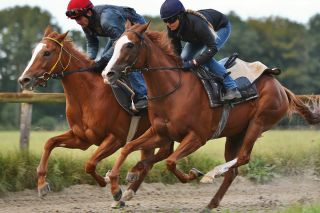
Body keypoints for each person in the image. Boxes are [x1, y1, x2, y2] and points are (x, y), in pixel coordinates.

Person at [66, 0, 148, 110]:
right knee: (104, 60)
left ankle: (142, 95)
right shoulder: (85, 23)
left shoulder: (106, 20)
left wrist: (103, 60)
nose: (78, 22)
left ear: (89, 13)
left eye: (79, 18)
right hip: (120, 35)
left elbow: (120, 44)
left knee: (124, 59)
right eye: (75, 19)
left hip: (136, 27)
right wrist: (89, 61)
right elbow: (92, 43)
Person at [160, 0, 242, 101]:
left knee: (204, 58)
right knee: (184, 58)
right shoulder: (171, 29)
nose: (169, 23)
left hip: (219, 28)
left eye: (171, 19)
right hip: (198, 37)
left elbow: (212, 48)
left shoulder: (197, 24)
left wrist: (195, 62)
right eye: (165, 20)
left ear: (180, 16)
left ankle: (232, 87)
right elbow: (177, 50)